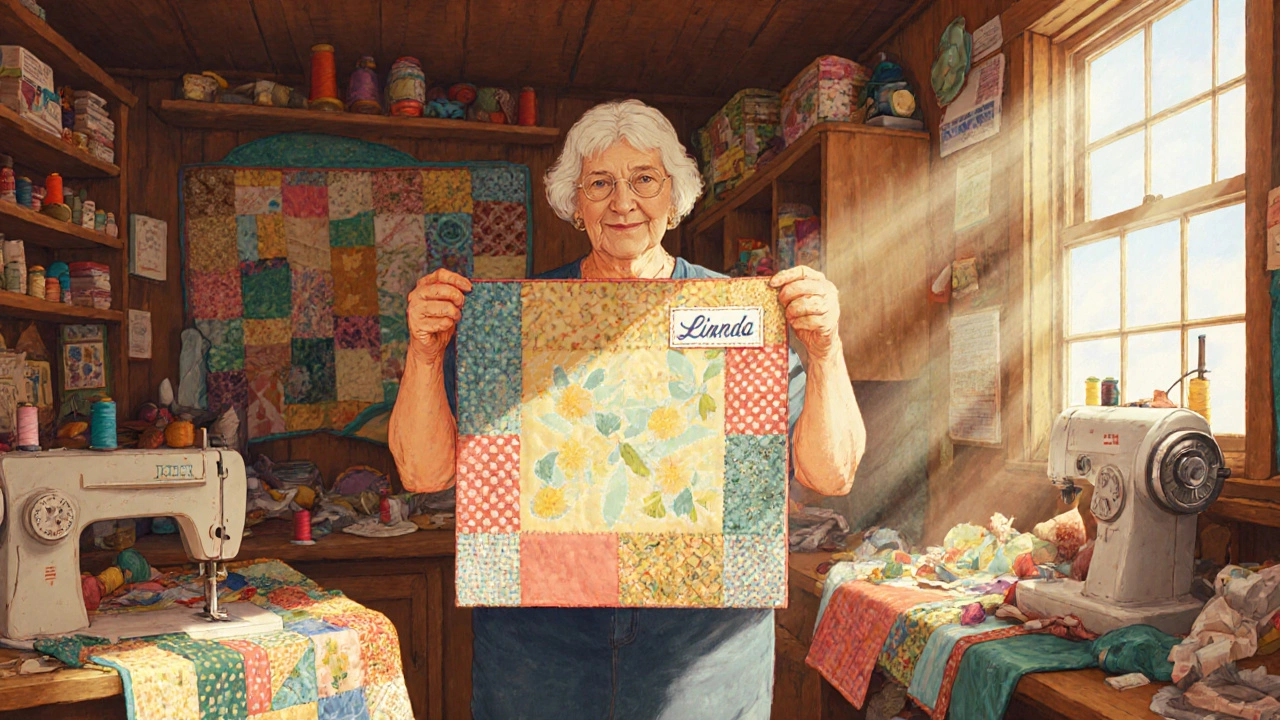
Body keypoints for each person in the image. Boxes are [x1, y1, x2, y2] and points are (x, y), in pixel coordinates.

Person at [389, 99, 866, 720]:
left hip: (702, 647)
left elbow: (831, 475)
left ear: (675, 195)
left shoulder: (736, 316)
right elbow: (423, 475)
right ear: (575, 204)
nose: (623, 202)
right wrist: (424, 355)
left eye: (645, 179)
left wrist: (825, 349)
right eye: (600, 183)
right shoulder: (518, 324)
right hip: (542, 645)